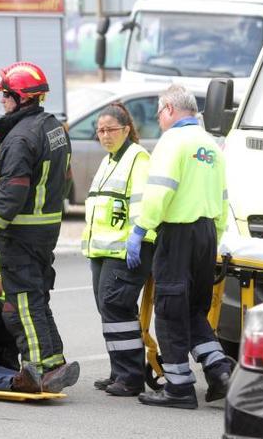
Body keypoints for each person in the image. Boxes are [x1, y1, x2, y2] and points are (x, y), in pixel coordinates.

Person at [0, 61, 79, 393]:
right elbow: (64, 180)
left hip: (20, 231)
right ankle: (55, 361)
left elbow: (13, 191)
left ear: (19, 97)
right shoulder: (53, 127)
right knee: (36, 297)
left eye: (5, 96)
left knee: (22, 300)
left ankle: (37, 369)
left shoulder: (20, 137)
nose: (2, 102)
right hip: (46, 228)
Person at [128, 84, 231, 409]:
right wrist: (214, 236)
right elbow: (223, 196)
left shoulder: (172, 141)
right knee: (193, 310)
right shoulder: (210, 144)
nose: (159, 119)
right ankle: (220, 371)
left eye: (159, 113)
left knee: (171, 310)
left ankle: (179, 387)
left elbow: (160, 191)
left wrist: (141, 228)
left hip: (177, 234)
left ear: (170, 109)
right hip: (206, 234)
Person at [81, 104, 154, 397]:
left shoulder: (138, 158)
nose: (105, 135)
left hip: (127, 249)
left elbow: (142, 203)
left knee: (116, 307)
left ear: (126, 129)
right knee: (108, 309)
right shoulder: (109, 160)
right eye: (100, 130)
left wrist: (137, 238)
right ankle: (119, 371)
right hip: (102, 250)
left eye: (111, 129)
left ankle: (131, 377)